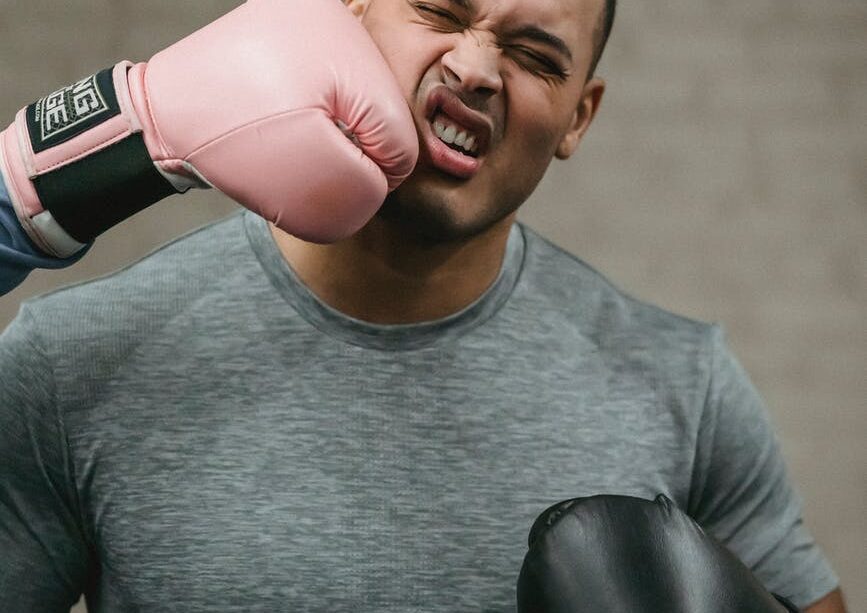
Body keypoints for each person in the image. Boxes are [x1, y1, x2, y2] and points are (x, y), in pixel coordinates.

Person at [0, 0, 847, 611]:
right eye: (440, 10)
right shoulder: (77, 358)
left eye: (538, 56)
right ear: (349, 13)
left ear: (577, 118)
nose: (475, 69)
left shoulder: (683, 384)